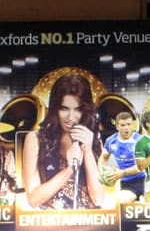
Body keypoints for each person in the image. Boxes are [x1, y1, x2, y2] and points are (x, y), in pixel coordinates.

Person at [20, 73, 104, 210]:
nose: (70, 117)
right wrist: (70, 169)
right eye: (64, 109)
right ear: (55, 109)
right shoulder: (35, 140)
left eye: (77, 109)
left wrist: (87, 152)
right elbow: (33, 199)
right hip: (50, 221)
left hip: (88, 220)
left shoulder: (94, 142)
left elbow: (98, 199)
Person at [99, 111, 145, 202]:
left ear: (132, 125)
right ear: (117, 127)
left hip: (144, 180)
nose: (126, 128)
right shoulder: (111, 141)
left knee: (144, 205)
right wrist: (102, 172)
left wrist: (122, 173)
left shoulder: (139, 141)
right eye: (123, 125)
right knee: (119, 202)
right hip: (127, 183)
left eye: (129, 124)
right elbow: (103, 158)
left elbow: (141, 166)